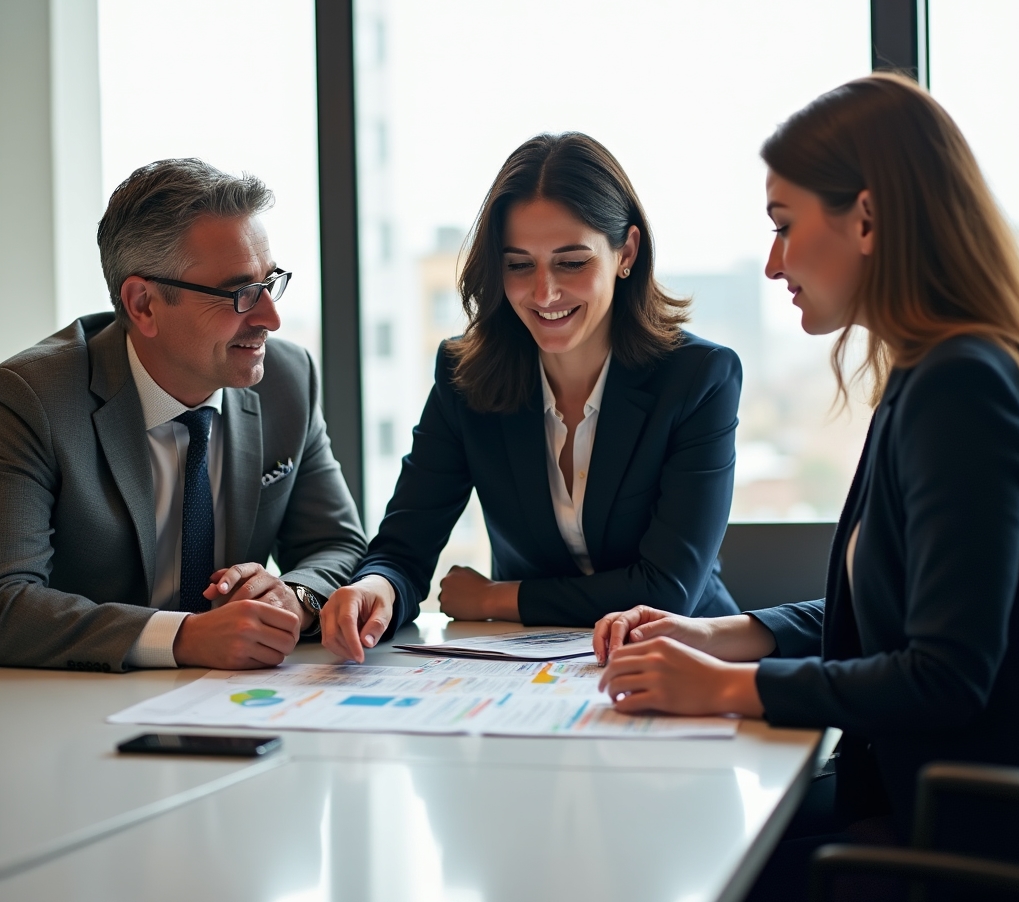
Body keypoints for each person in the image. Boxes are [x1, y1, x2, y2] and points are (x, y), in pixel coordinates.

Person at [593, 74, 1019, 902]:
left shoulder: (961, 386)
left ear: (867, 219)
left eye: (784, 225)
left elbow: (945, 675)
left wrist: (726, 689)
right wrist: (722, 636)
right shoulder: (928, 373)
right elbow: (892, 612)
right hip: (914, 805)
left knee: (676, 867)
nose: (773, 262)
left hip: (959, 844)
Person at [319, 132, 742, 662]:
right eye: (519, 265)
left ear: (626, 252)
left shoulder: (698, 378)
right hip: (527, 669)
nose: (544, 293)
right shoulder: (464, 376)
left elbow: (664, 591)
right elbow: (404, 547)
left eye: (572, 262)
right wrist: (375, 588)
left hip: (684, 659)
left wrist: (496, 598)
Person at [0, 159, 366, 672]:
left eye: (270, 282)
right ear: (144, 304)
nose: (271, 317)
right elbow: (8, 601)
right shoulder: (31, 398)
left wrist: (294, 595)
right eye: (240, 293)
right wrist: (183, 637)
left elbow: (338, 543)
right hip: (81, 702)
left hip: (233, 696)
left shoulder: (288, 379)